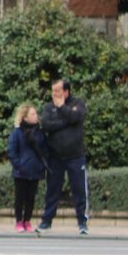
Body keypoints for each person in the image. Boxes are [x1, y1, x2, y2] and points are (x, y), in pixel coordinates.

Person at [38, 78, 90, 234]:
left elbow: (76, 117)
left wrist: (62, 108)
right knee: (52, 190)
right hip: (55, 157)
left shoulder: (77, 104)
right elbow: (46, 125)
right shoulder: (48, 107)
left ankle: (82, 222)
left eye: (58, 91)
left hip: (75, 156)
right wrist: (65, 122)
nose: (54, 94)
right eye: (53, 91)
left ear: (66, 92)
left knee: (79, 190)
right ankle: (46, 222)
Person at [7, 104, 47, 233]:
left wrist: (41, 166)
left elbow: (44, 150)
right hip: (21, 171)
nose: (36, 116)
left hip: (35, 170)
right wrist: (19, 165)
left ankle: (27, 220)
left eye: (36, 114)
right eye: (33, 114)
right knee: (20, 197)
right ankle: (19, 221)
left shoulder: (40, 132)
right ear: (25, 118)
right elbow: (12, 151)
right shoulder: (17, 133)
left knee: (31, 197)